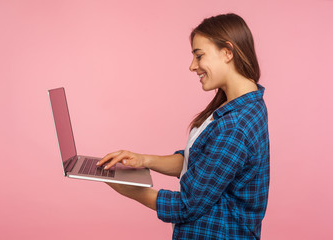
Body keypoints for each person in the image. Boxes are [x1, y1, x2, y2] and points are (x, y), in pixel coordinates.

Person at [97, 13, 270, 240]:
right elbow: (200, 163)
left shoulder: (235, 127)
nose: (192, 66)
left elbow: (186, 206)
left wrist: (133, 191)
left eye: (199, 56)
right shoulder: (243, 103)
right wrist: (143, 160)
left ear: (228, 52)